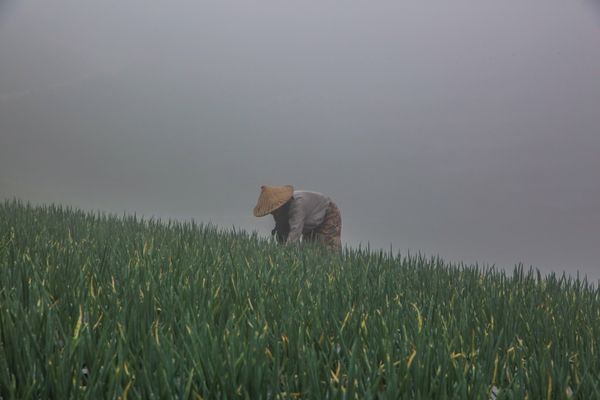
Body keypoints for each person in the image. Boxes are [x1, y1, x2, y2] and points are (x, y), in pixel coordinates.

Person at [253, 185, 342, 250]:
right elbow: (283, 233)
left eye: (273, 210)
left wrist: (285, 254)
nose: (273, 213)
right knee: (309, 251)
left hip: (327, 213)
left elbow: (295, 232)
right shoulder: (280, 212)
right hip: (310, 222)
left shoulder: (297, 206)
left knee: (329, 250)